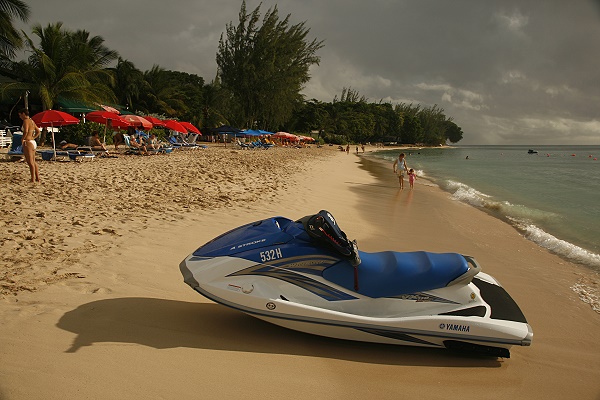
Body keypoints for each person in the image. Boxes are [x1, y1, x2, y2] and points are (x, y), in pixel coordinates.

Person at [18, 108, 41, 183]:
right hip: (33, 142)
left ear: (23, 114)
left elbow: (26, 131)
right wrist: (33, 137)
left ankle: (32, 179)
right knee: (33, 161)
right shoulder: (32, 121)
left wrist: (22, 139)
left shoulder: (26, 121)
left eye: (20, 115)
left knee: (30, 162)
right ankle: (37, 178)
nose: (20, 117)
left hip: (28, 142)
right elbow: (38, 131)